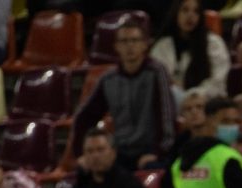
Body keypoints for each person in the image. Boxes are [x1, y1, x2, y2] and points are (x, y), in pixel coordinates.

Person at [70, 15, 177, 171]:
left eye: (134, 40)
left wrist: (158, 152)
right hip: (120, 150)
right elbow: (84, 117)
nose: (130, 46)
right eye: (124, 41)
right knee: (86, 170)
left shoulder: (156, 72)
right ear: (116, 47)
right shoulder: (108, 79)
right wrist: (81, 154)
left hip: (149, 150)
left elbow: (166, 118)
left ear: (145, 45)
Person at [151, 0, 230, 106]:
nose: (190, 16)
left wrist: (194, 95)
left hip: (208, 102)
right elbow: (159, 79)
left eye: (196, 11)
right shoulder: (163, 45)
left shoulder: (213, 43)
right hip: (174, 102)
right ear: (176, 13)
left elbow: (218, 81)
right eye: (185, 10)